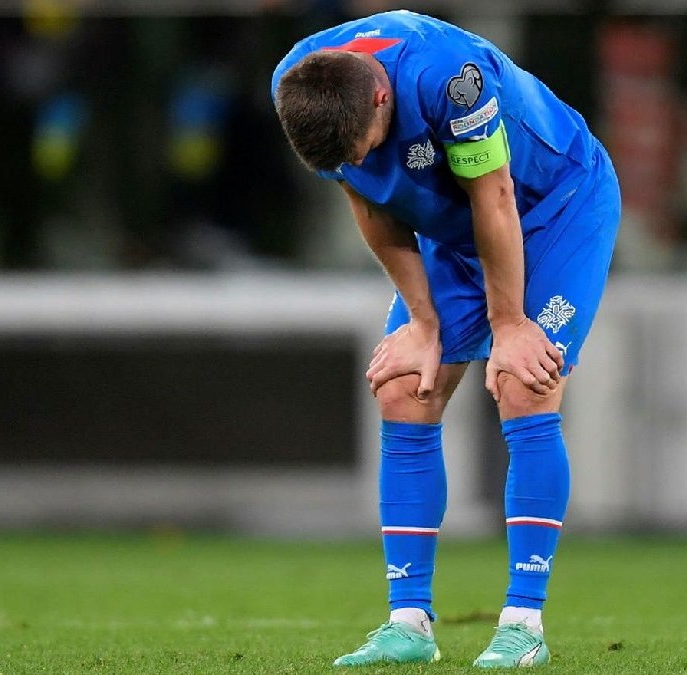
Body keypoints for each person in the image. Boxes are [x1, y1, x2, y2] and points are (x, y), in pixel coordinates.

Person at [271, 10, 620, 668]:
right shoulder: (302, 82)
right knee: (405, 387)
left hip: (554, 207)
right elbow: (366, 198)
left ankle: (523, 624)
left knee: (524, 380)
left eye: (363, 145)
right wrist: (422, 322)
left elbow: (495, 196)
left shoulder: (452, 79)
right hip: (456, 225)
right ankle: (409, 623)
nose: (359, 160)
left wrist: (510, 325)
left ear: (381, 95)